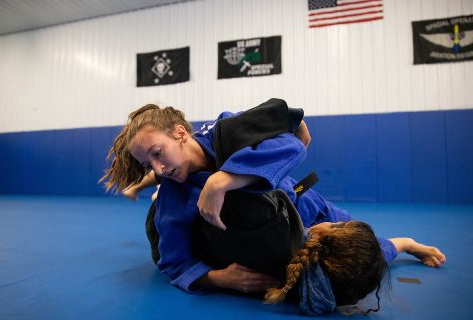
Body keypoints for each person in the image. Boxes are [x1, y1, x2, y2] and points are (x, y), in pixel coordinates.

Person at [101, 101, 445, 314]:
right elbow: (173, 262)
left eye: (157, 154)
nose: (158, 168)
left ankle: (404, 242)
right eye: (149, 164)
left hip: (294, 202)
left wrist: (222, 180)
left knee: (359, 253)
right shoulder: (176, 197)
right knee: (351, 258)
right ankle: (154, 192)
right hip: (268, 221)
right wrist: (218, 278)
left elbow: (291, 143)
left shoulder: (225, 130)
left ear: (180, 133)